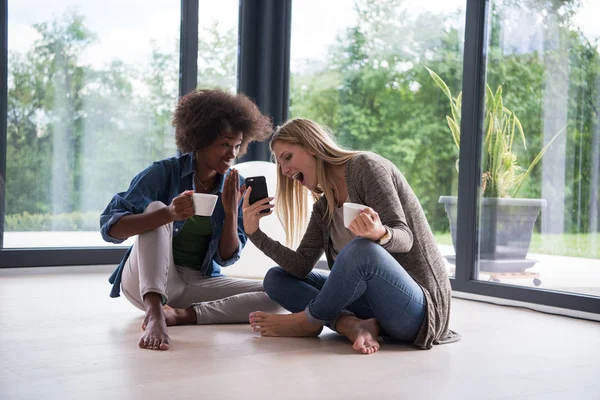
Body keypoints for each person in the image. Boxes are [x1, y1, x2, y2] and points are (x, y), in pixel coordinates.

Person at [243, 118, 460, 354]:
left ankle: (309, 320)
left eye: (288, 157)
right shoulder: (323, 207)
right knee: (276, 278)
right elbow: (300, 267)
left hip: (418, 310)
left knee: (361, 250)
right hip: (372, 309)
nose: (284, 170)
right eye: (279, 164)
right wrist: (255, 233)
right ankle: (350, 325)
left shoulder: (366, 167)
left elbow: (405, 238)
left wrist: (380, 233)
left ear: (312, 146)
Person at [100, 88, 282, 351]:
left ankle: (181, 315)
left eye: (237, 145)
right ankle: (154, 312)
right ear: (200, 138)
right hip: (146, 282)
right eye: (224, 144)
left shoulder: (234, 185)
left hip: (197, 282)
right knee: (155, 209)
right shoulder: (163, 173)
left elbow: (226, 257)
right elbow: (111, 229)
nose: (231, 153)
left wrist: (231, 213)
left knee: (275, 295)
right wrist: (169, 214)